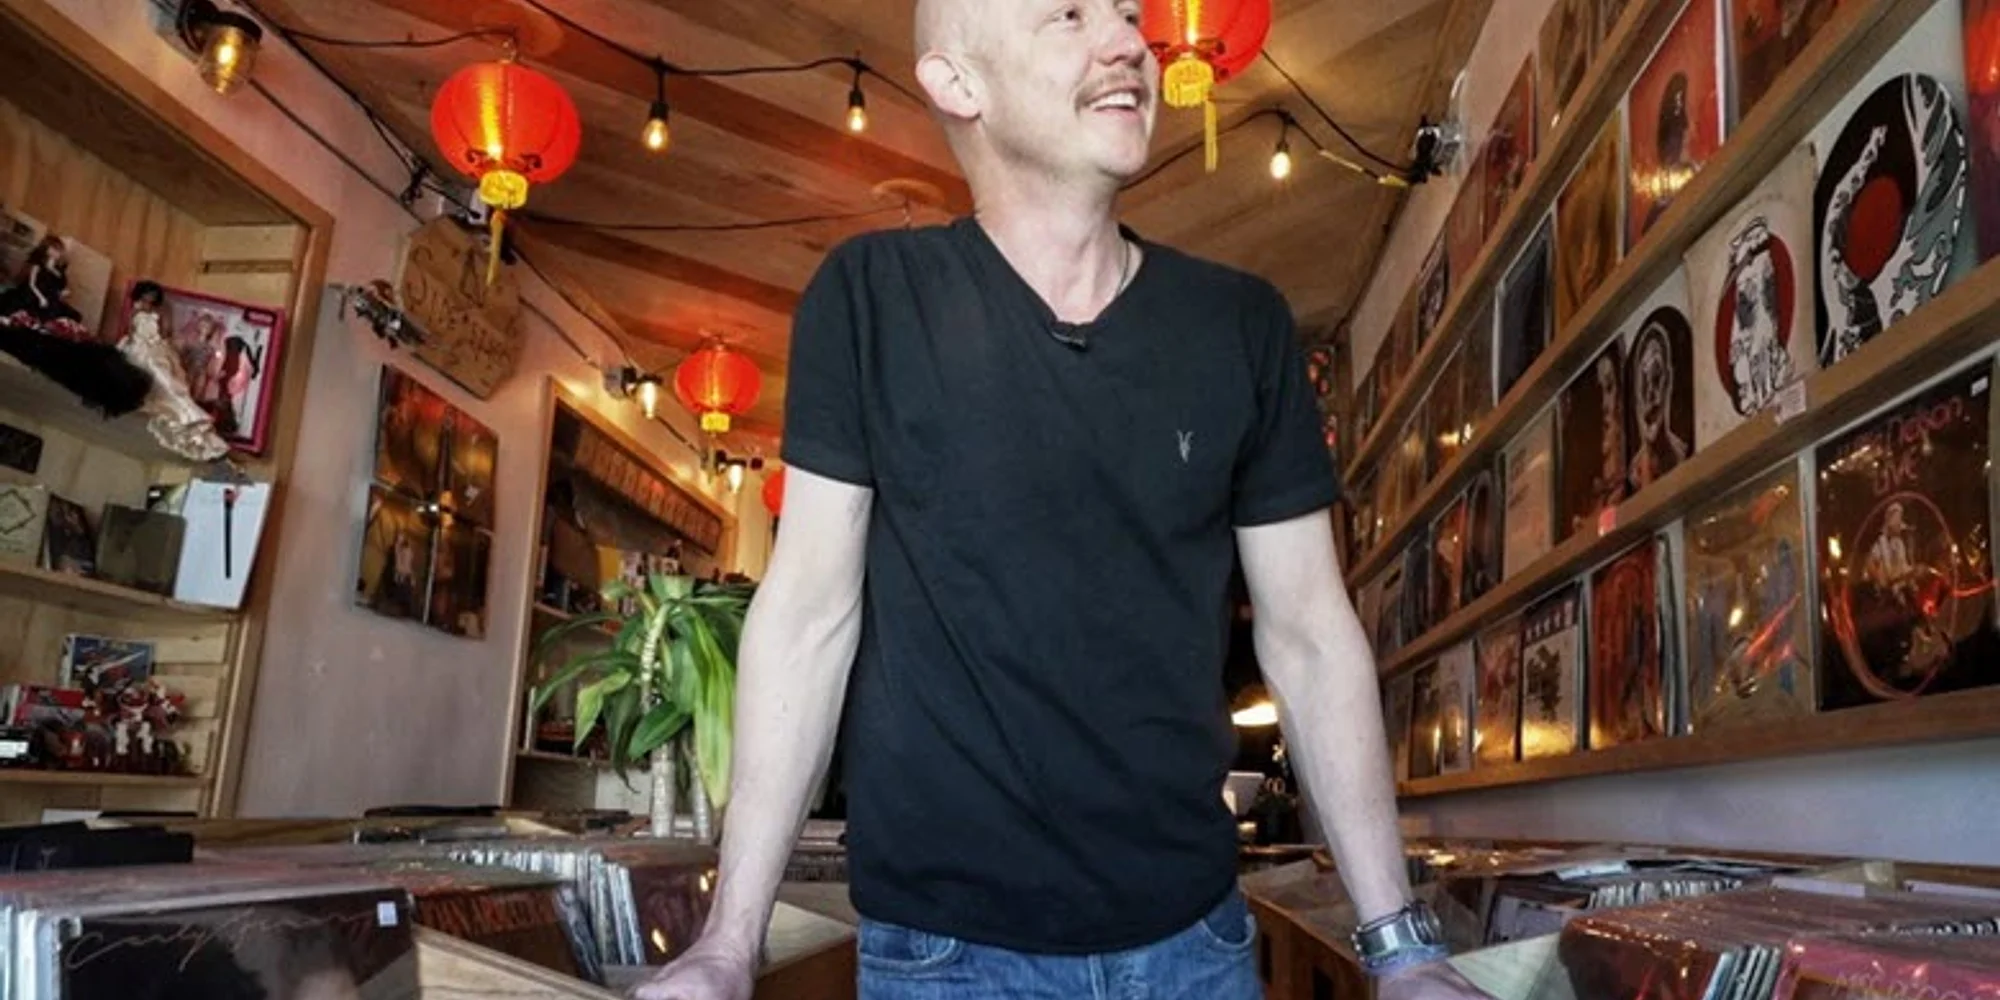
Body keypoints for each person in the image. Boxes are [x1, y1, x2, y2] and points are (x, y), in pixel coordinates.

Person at [636, 2, 1495, 998]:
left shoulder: (1242, 326)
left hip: (1195, 946)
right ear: (958, 82)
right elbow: (807, 618)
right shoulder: (869, 297)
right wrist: (726, 945)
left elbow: (1309, 634)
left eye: (1128, 13)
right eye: (1070, 14)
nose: (1128, 40)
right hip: (941, 959)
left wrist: (1401, 951)